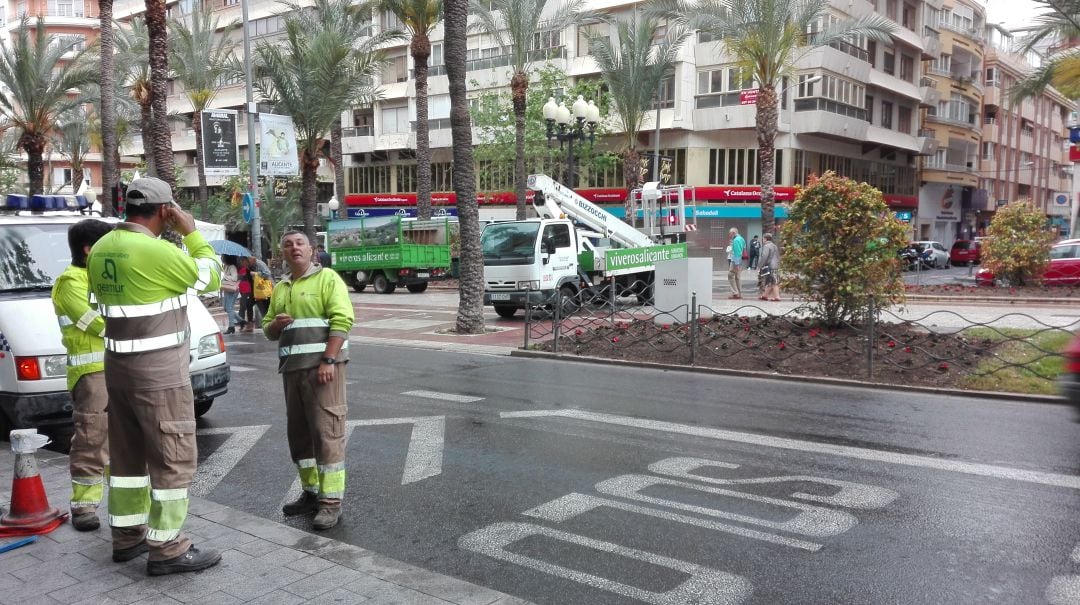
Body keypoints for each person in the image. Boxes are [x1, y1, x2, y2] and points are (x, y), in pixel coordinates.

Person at [86, 177, 222, 576]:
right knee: (172, 459)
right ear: (166, 211)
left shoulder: (102, 247)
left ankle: (127, 539)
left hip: (118, 371)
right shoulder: (156, 250)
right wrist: (193, 234)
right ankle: (168, 547)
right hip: (159, 375)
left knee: (127, 459)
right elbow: (210, 278)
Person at [263, 231, 354, 530]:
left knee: (327, 432)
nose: (294, 248)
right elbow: (267, 329)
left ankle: (330, 503)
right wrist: (275, 324)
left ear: (312, 250)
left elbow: (343, 320)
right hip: (292, 372)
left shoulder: (327, 279)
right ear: (283, 253)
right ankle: (311, 493)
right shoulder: (281, 287)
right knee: (300, 436)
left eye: (299, 243)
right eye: (287, 244)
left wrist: (328, 359)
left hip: (323, 370)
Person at [52, 219, 114, 531]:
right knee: (92, 439)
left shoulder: (104, 277)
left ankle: (125, 505)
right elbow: (100, 323)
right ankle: (85, 507)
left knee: (123, 440)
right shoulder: (71, 282)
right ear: (89, 250)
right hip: (92, 373)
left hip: (118, 368)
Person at [758, 232, 781, 301]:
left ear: (765, 239)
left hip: (770, 266)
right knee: (769, 281)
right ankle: (765, 295)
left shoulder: (766, 246)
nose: (762, 240)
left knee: (773, 281)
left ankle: (777, 296)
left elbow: (764, 257)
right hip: (775, 265)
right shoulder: (774, 246)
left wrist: (760, 265)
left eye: (763, 238)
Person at [221, 256, 240, 334]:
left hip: (232, 290)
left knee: (229, 308)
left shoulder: (232, 267)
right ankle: (242, 321)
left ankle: (231, 327)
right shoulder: (226, 267)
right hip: (227, 289)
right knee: (226, 308)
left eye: (222, 257)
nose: (221, 258)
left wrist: (224, 276)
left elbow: (235, 278)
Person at [727, 227, 745, 299]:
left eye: (730, 234)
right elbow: (743, 249)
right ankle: (739, 293)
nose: (730, 235)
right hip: (740, 260)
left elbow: (737, 252)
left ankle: (735, 292)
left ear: (734, 233)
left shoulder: (736, 240)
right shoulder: (742, 239)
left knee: (730, 275)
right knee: (738, 277)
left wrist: (736, 263)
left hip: (735, 261)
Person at [237, 257, 254, 332]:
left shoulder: (249, 269)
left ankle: (244, 323)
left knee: (244, 306)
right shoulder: (240, 269)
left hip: (247, 290)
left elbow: (250, 279)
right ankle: (243, 323)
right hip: (243, 290)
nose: (241, 263)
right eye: (241, 261)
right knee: (243, 307)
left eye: (242, 261)